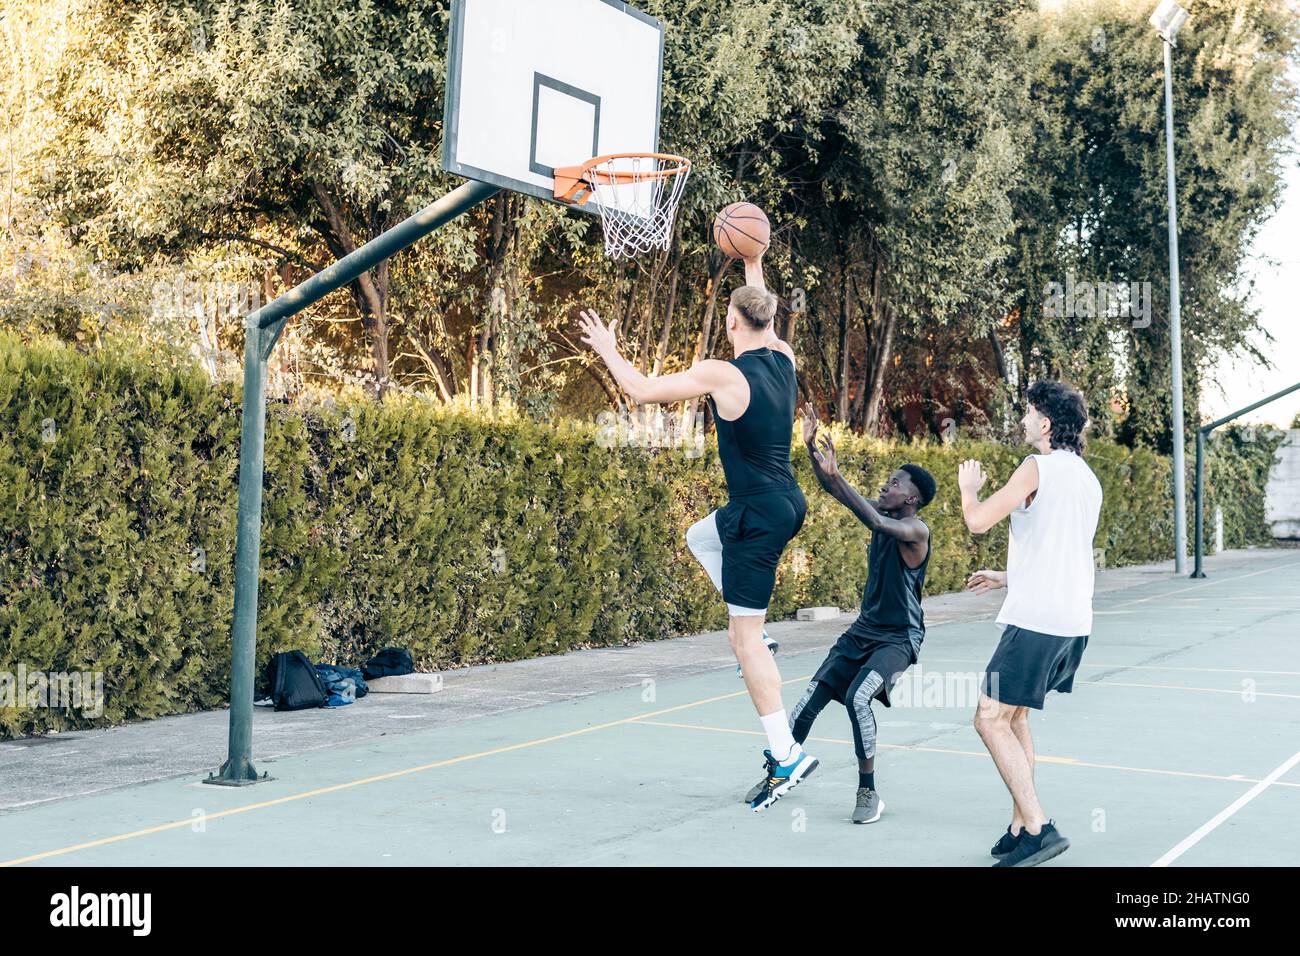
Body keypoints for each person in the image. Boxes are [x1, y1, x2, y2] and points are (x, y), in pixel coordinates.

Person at [578, 251, 816, 812]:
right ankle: (759, 641)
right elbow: (762, 305)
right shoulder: (782, 358)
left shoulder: (722, 372)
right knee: (699, 537)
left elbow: (639, 391)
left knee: (743, 638)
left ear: (732, 322)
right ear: (766, 321)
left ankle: (787, 754)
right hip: (779, 502)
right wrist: (754, 260)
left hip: (758, 512)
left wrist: (609, 349)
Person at [744, 404, 932, 825]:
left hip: (899, 638)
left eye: (895, 484)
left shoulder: (915, 531)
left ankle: (869, 792)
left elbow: (872, 519)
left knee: (857, 697)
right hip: (864, 630)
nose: (886, 486)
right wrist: (811, 449)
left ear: (913, 498)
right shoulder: (883, 513)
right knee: (810, 699)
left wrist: (838, 476)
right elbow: (836, 492)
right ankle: (780, 772)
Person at [959, 380, 1103, 867]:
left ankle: (1039, 828)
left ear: (1045, 424)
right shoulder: (1086, 478)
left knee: (988, 718)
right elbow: (1059, 551)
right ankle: (1022, 825)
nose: (1022, 420)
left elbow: (978, 522)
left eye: (1028, 413)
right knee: (1014, 717)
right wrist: (1008, 576)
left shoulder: (1036, 466)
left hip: (1039, 619)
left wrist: (968, 492)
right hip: (1071, 620)